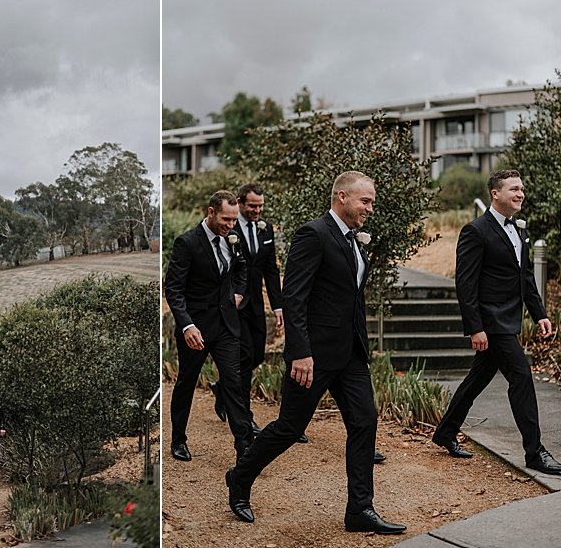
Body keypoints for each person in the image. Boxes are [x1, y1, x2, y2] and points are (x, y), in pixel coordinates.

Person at [226, 171, 405, 535]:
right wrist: (300, 353)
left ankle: (360, 509)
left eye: (371, 201)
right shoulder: (314, 234)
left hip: (350, 353)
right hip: (314, 355)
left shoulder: (355, 240)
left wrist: (362, 344)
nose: (370, 208)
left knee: (364, 420)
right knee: (290, 428)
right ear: (341, 197)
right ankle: (239, 477)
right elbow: (294, 296)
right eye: (364, 201)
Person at [432, 169, 560, 474]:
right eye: (514, 189)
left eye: (522, 189)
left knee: (477, 379)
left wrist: (539, 313)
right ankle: (535, 452)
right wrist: (475, 327)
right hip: (491, 322)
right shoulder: (475, 231)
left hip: (509, 319)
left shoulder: (520, 230)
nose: (520, 194)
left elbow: (525, 278)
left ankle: (446, 432)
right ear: (495, 194)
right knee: (521, 377)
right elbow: (465, 284)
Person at [165, 190, 253, 463]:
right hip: (196, 329)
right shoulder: (187, 243)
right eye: (226, 219)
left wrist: (238, 293)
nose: (230, 225)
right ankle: (178, 439)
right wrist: (187, 325)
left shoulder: (233, 239)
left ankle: (245, 447)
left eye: (234, 220)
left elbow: (241, 269)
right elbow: (174, 289)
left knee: (233, 382)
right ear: (211, 212)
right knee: (186, 383)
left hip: (226, 324)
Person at [210, 183, 292, 438]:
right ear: (241, 203)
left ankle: (223, 388)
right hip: (233, 304)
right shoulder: (228, 229)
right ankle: (245, 417)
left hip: (256, 303)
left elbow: (271, 269)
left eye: (260, 206)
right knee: (244, 357)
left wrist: (277, 305)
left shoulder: (264, 229)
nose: (257, 210)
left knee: (256, 355)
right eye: (252, 206)